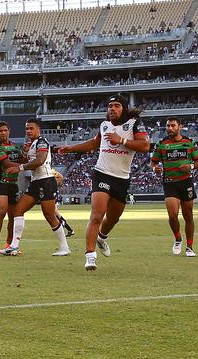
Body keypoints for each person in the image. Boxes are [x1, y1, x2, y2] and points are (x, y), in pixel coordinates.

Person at [58, 94, 150, 270]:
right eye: (110, 106)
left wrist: (121, 140)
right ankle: (90, 256)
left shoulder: (134, 123)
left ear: (123, 108)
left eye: (116, 106)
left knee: (113, 218)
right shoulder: (104, 125)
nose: (112, 109)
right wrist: (72, 148)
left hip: (122, 178)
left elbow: (145, 146)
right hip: (102, 173)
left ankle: (102, 237)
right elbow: (94, 143)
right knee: (97, 215)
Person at [0, 118, 71, 257]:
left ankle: (65, 247)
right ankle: (13, 246)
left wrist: (19, 168)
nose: (28, 131)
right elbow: (31, 160)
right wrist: (26, 153)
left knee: (49, 215)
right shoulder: (33, 144)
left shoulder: (42, 142)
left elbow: (40, 161)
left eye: (31, 128)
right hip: (36, 182)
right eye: (27, 129)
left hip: (45, 181)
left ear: (38, 129)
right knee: (18, 210)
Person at [150, 117, 198, 257]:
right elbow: (153, 162)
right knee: (172, 216)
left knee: (188, 215)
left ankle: (190, 247)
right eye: (168, 126)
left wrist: (190, 166)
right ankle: (178, 238)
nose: (170, 128)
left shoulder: (189, 142)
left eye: (173, 126)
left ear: (179, 127)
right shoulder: (161, 144)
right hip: (170, 182)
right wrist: (155, 169)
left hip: (186, 182)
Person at [0, 121, 26, 254]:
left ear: (9, 131)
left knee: (13, 215)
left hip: (13, 184)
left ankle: (10, 244)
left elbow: (24, 159)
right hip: (0, 182)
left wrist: (26, 152)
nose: (3, 133)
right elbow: (7, 163)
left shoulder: (16, 146)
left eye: (5, 130)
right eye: (1, 131)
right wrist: (21, 166)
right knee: (2, 211)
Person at [52, 169, 75, 237]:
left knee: (55, 212)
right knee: (54, 213)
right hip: (50, 191)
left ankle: (63, 224)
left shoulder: (51, 171)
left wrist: (56, 183)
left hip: (53, 191)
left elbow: (61, 176)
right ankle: (70, 230)